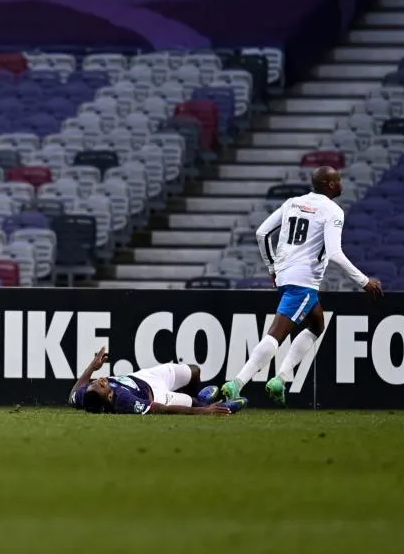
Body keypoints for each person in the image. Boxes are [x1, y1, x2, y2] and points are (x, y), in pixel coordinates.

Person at [220, 166, 383, 405]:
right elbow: (335, 253)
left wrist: (272, 268)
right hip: (303, 280)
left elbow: (262, 233)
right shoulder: (333, 211)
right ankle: (236, 383)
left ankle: (281, 379)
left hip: (286, 274)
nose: (341, 183)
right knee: (275, 335)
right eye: (338, 179)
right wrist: (364, 281)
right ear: (329, 185)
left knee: (317, 324)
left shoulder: (293, 203)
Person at [69, 347, 247, 415]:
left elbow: (73, 395)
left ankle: (201, 398)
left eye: (95, 382)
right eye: (101, 385)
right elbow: (160, 408)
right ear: (109, 398)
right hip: (158, 395)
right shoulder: (123, 400)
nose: (100, 380)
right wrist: (203, 411)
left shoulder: (86, 395)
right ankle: (204, 403)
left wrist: (92, 367)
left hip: (144, 376)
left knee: (194, 371)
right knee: (192, 403)